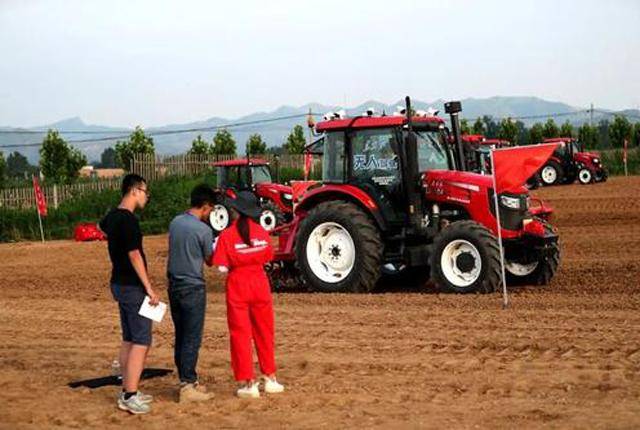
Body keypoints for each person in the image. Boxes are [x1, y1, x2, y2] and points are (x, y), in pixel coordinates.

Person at [212, 191, 285, 398]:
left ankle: (249, 383)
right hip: (260, 284)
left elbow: (222, 268)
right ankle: (270, 378)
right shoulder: (262, 232)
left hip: (238, 286)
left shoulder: (226, 235)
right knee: (265, 332)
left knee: (240, 335)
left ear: (235, 211)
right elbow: (269, 256)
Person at [99, 174, 158, 415]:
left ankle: (128, 387)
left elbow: (102, 227)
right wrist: (149, 288)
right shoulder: (129, 221)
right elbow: (135, 255)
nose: (146, 196)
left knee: (129, 338)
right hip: (132, 287)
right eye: (145, 191)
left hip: (118, 283)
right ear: (134, 190)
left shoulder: (112, 217)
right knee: (142, 340)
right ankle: (129, 395)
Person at [167, 184, 220, 403]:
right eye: (211, 210)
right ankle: (187, 385)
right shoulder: (204, 230)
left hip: (174, 285)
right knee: (192, 337)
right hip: (193, 286)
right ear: (206, 207)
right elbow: (210, 261)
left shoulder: (175, 223)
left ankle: (186, 379)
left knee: (180, 335)